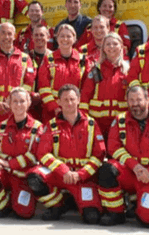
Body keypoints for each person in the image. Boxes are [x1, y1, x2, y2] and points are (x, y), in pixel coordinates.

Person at [96, 85, 149, 228]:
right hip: (131, 172)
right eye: (132, 100)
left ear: (147, 100)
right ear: (127, 102)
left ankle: (140, 205)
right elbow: (113, 147)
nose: (135, 104)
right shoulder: (120, 120)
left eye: (139, 100)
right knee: (106, 169)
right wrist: (135, 166)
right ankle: (116, 213)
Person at [35, 85, 107, 224]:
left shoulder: (91, 124)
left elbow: (99, 154)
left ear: (79, 100)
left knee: (91, 218)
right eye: (65, 99)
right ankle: (57, 205)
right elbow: (42, 153)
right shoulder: (52, 125)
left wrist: (80, 174)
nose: (69, 103)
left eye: (72, 99)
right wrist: (64, 171)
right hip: (60, 176)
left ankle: (73, 200)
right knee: (35, 176)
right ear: (59, 102)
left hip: (83, 179)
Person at [0, 88, 48, 219]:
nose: (18, 105)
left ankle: (16, 202)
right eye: (15, 101)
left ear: (28, 103)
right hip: (3, 172)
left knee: (25, 213)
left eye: (22, 101)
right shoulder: (2, 126)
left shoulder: (37, 127)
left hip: (22, 176)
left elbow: (35, 155)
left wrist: (8, 163)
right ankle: (4, 206)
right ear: (9, 104)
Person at [81, 35, 131, 134]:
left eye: (115, 44)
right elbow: (84, 98)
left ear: (121, 46)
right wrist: (84, 120)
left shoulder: (128, 70)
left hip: (121, 123)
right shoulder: (96, 70)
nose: (111, 47)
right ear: (103, 48)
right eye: (108, 44)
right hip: (97, 124)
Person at [37, 24, 87, 123]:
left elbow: (86, 87)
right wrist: (54, 107)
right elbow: (43, 87)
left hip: (76, 110)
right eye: (62, 36)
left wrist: (79, 108)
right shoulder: (48, 59)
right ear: (57, 38)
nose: (65, 39)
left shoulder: (83, 60)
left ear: (74, 39)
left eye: (69, 36)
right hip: (52, 112)